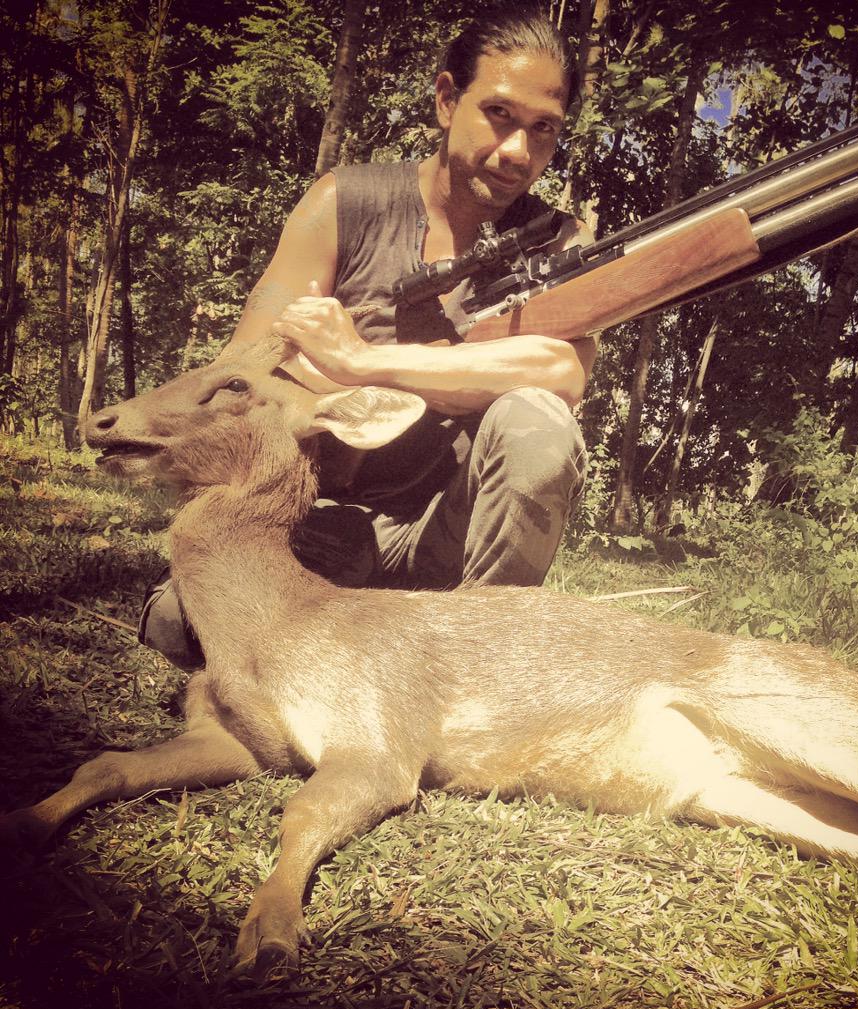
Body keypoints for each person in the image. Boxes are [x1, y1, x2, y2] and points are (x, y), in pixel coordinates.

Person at [140, 6, 596, 670]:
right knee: (185, 626)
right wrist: (436, 381)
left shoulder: (559, 245)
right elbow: (244, 373)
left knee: (540, 424)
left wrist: (358, 360)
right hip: (312, 521)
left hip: (447, 535)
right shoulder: (344, 203)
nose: (518, 153)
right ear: (446, 100)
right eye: (499, 114)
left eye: (543, 130)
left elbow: (562, 374)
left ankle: (480, 659)